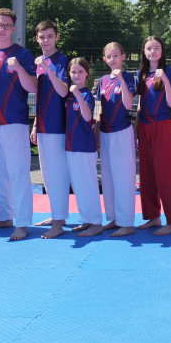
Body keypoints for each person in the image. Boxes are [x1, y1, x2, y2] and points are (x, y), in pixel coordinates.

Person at [0, 8, 38, 241]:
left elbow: (33, 87)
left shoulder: (23, 54)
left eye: (7, 25)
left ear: (13, 29)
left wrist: (20, 69)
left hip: (15, 121)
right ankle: (4, 216)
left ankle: (22, 223)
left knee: (18, 173)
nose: (2, 29)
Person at [135, 35, 171, 236]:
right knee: (147, 174)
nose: (153, 51)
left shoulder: (169, 71)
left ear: (162, 51)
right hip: (144, 126)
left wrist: (164, 80)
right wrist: (137, 129)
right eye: (149, 48)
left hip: (163, 125)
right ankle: (153, 216)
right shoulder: (141, 73)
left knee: (167, 174)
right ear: (144, 52)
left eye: (156, 48)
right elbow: (140, 103)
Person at [29, 21, 70, 239]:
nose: (46, 40)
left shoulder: (62, 60)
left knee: (57, 173)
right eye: (42, 37)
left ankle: (58, 221)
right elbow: (40, 95)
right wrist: (36, 123)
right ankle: (57, 215)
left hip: (57, 125)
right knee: (47, 173)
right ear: (37, 39)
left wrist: (47, 69)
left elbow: (63, 91)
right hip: (43, 123)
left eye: (50, 36)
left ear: (56, 37)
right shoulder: (38, 62)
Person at [99, 41, 137, 237]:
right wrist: (97, 133)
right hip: (105, 132)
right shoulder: (103, 80)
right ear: (104, 59)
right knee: (108, 178)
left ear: (123, 57)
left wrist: (121, 79)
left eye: (116, 55)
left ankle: (127, 222)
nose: (113, 59)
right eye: (109, 56)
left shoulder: (128, 77)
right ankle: (114, 218)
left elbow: (128, 104)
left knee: (123, 177)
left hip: (121, 132)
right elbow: (101, 108)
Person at [65, 58, 103, 237]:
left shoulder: (86, 94)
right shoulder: (68, 94)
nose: (76, 75)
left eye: (80, 71)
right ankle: (86, 219)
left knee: (88, 184)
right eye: (73, 72)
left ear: (87, 73)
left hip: (84, 147)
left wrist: (78, 96)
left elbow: (87, 117)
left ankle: (96, 222)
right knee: (78, 186)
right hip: (71, 146)